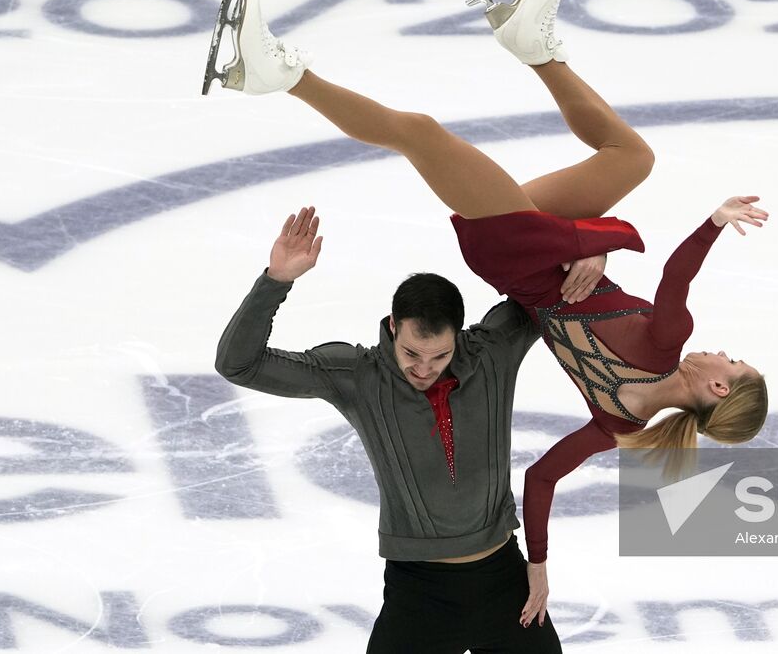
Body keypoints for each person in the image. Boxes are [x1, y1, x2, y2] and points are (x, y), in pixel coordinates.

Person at [203, 0, 769, 630]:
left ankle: (277, 74)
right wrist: (537, 561)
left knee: (420, 135)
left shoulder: (667, 342)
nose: (725, 355)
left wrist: (707, 222)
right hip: (532, 261)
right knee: (630, 159)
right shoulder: (619, 424)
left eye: (732, 364)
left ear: (715, 392)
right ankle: (529, 41)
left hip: (524, 251)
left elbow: (677, 278)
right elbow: (541, 479)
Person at [214, 203, 604, 652]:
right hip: (418, 595)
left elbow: (560, 284)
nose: (424, 369)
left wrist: (595, 250)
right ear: (394, 326)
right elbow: (238, 365)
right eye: (412, 353)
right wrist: (275, 282)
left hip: (506, 585)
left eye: (438, 355)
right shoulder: (358, 375)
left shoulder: (493, 350)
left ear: (457, 334)